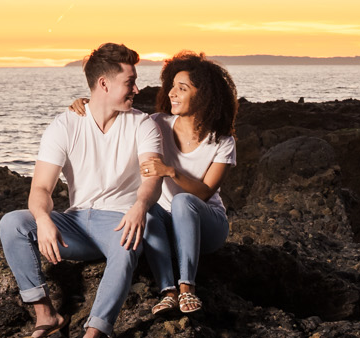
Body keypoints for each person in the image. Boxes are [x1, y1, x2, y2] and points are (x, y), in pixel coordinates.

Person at [0, 41, 169, 338]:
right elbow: (41, 188)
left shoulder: (143, 124)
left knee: (126, 246)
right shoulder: (65, 124)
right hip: (75, 223)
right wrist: (44, 219)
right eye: (130, 81)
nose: (137, 87)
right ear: (104, 84)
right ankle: (46, 314)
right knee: (12, 223)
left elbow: (152, 177)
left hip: (118, 221)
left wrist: (139, 207)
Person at [71, 51, 238, 319]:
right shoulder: (158, 123)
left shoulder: (222, 142)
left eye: (182, 88)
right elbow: (119, 117)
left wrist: (170, 171)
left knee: (183, 201)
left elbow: (205, 192)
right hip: (164, 225)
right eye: (172, 86)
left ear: (204, 95)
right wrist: (86, 105)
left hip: (206, 225)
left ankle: (187, 287)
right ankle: (168, 291)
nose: (172, 93)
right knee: (142, 206)